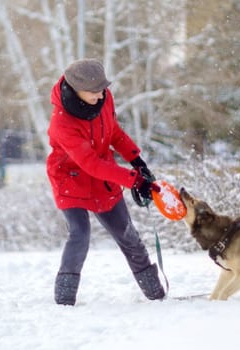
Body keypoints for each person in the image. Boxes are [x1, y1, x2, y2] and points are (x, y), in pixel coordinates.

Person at [46, 58, 165, 305]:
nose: (101, 95)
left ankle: (156, 295)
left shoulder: (104, 98)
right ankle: (64, 302)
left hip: (105, 176)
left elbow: (114, 133)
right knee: (80, 234)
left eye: (103, 89)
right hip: (70, 178)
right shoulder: (62, 122)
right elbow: (89, 163)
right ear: (76, 89)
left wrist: (137, 161)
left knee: (127, 234)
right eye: (94, 91)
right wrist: (133, 181)